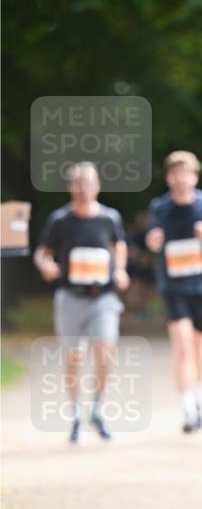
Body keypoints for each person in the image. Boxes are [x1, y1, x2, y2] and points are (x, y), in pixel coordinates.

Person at [34, 161, 129, 443]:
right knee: (74, 357)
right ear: (71, 188)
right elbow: (42, 253)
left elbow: (119, 245)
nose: (85, 188)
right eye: (79, 183)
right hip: (70, 296)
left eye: (89, 182)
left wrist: (121, 269)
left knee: (105, 350)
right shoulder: (60, 220)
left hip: (103, 297)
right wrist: (45, 266)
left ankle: (97, 406)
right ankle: (75, 412)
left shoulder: (110, 218)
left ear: (97, 186)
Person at [146, 150, 202, 433]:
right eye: (175, 173)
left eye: (186, 172)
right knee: (182, 346)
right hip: (173, 286)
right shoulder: (159, 208)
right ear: (169, 178)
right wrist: (153, 240)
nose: (181, 178)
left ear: (195, 175)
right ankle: (187, 410)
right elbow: (149, 239)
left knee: (199, 346)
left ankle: (198, 398)